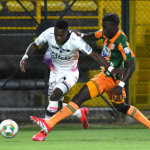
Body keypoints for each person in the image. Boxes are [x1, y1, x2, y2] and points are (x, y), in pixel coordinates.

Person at [20, 19, 125, 141]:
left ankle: (44, 131)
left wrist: (111, 69)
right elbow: (34, 44)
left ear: (67, 32)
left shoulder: (75, 40)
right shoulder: (48, 33)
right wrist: (25, 56)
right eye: (56, 35)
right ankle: (80, 113)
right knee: (57, 106)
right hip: (54, 73)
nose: (58, 38)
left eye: (61, 35)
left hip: (70, 74)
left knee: (55, 96)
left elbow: (94, 54)